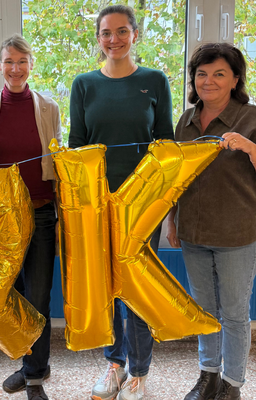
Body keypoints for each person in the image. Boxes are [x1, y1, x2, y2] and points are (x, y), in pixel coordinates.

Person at [166, 43, 256, 400]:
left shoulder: (253, 119)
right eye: (201, 74)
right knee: (204, 311)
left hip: (239, 234)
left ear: (235, 79)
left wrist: (251, 148)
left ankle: (232, 384)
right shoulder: (186, 121)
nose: (209, 81)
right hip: (194, 232)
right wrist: (172, 221)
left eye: (219, 74)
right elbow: (177, 177)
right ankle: (208, 376)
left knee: (234, 313)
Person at [68, 5, 174, 400]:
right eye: (106, 33)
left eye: (122, 31)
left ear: (135, 34)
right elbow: (78, 147)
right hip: (97, 206)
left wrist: (164, 204)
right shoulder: (83, 84)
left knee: (139, 289)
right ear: (98, 38)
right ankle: (114, 364)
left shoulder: (155, 81)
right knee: (107, 290)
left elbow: (165, 146)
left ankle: (139, 371)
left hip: (143, 206)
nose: (114, 39)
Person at [0, 34, 62, 400]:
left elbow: (58, 161)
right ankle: (29, 363)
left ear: (31, 65)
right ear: (0, 66)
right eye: (9, 61)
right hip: (1, 219)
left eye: (21, 61)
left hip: (40, 213)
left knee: (38, 296)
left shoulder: (49, 108)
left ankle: (35, 376)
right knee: (14, 295)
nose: (15, 68)